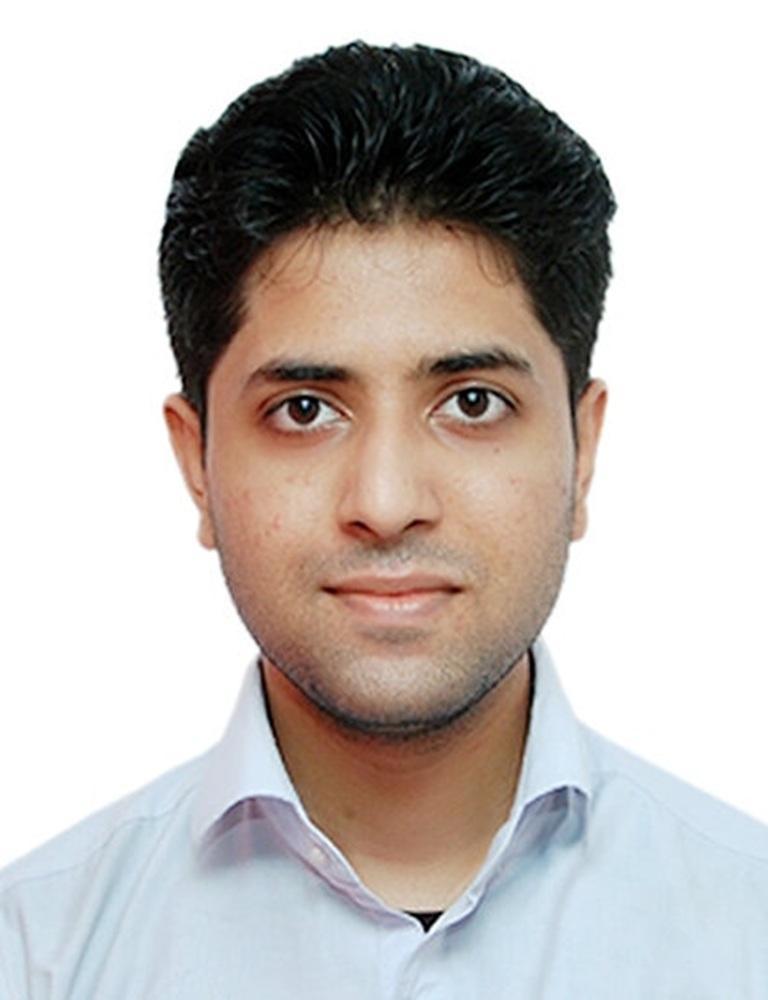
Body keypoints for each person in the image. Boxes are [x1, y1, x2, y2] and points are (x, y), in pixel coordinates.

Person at [1, 41, 766, 999]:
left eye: (473, 402)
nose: (387, 502)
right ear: (196, 463)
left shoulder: (750, 932)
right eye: (305, 410)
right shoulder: (35, 955)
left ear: (584, 450)